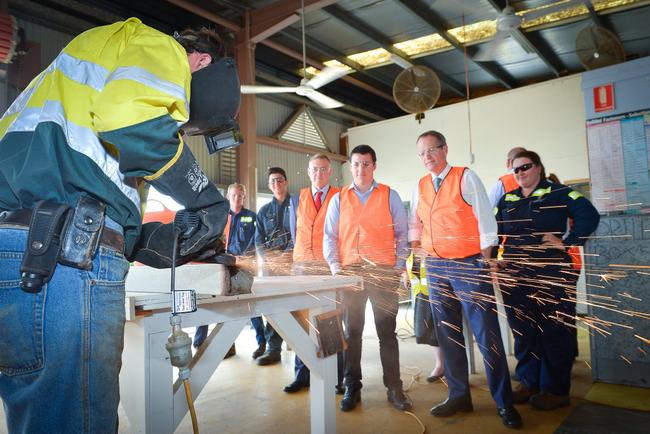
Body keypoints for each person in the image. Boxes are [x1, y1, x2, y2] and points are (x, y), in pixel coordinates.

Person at [0, 19, 238, 433]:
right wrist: (205, 196)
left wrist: (137, 239)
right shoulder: (160, 47)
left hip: (18, 258)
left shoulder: (76, 66)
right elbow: (135, 125)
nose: (178, 125)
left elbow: (67, 178)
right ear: (200, 62)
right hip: (64, 268)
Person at [410, 131, 522, 428]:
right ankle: (459, 395)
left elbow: (487, 222)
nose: (427, 157)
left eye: (432, 150)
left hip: (470, 264)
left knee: (487, 334)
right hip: (436, 267)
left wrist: (486, 262)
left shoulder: (465, 177)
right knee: (448, 335)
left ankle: (504, 402)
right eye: (421, 153)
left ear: (445, 149)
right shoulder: (420, 185)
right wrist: (417, 247)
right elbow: (415, 222)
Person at [494, 150, 599, 410]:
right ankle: (529, 382)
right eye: (515, 169)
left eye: (525, 167)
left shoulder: (561, 193)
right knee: (524, 332)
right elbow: (492, 230)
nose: (520, 173)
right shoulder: (507, 199)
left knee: (554, 332)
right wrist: (492, 258)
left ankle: (555, 390)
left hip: (551, 274)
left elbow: (590, 216)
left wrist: (567, 242)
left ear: (539, 167)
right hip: (516, 276)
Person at [323, 144, 412, 412]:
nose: (360, 169)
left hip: (383, 273)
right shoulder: (339, 199)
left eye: (366, 164)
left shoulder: (389, 195)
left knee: (387, 332)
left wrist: (397, 266)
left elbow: (402, 235)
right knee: (353, 332)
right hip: (351, 274)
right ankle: (352, 386)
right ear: (350, 167)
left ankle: (394, 387)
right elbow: (330, 236)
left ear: (374, 166)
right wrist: (335, 267)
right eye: (356, 164)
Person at [283, 154, 341, 393]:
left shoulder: (340, 196)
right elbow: (293, 230)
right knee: (302, 321)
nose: (319, 174)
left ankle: (335, 376)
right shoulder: (298, 198)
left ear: (330, 172)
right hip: (303, 266)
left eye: (323, 169)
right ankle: (302, 374)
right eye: (315, 170)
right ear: (308, 172)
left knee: (330, 320)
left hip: (327, 266)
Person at [193, 183, 260, 358]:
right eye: (233, 195)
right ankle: (199, 341)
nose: (237, 199)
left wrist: (244, 259)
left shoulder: (251, 217)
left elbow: (255, 242)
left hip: (241, 266)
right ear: (227, 196)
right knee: (208, 299)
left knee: (244, 303)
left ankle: (239, 345)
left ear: (244, 197)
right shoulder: (220, 217)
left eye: (240, 196)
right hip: (219, 264)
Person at [254, 167, 293, 365]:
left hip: (293, 266)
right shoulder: (263, 211)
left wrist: (286, 257)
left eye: (279, 180)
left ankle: (300, 347)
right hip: (270, 268)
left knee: (296, 305)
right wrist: (269, 259)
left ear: (286, 182)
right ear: (269, 186)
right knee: (272, 306)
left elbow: (300, 234)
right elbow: (258, 240)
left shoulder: (296, 205)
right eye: (272, 182)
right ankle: (273, 349)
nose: (276, 184)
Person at [405, 252, 444, 382]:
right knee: (430, 330)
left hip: (440, 280)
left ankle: (454, 368)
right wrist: (404, 272)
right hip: (422, 290)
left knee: (446, 329)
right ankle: (441, 364)